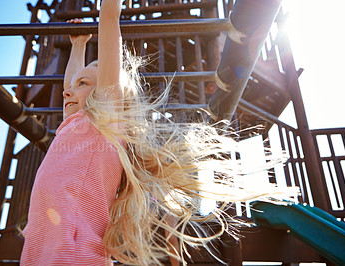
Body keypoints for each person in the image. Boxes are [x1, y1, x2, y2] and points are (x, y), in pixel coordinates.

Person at [20, 0, 298, 264]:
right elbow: (70, 84)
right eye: (75, 83)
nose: (68, 90)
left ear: (105, 93)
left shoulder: (104, 121)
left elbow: (109, 20)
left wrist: (109, 10)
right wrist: (78, 47)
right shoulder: (74, 121)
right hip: (39, 245)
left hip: (72, 249)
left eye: (83, 83)